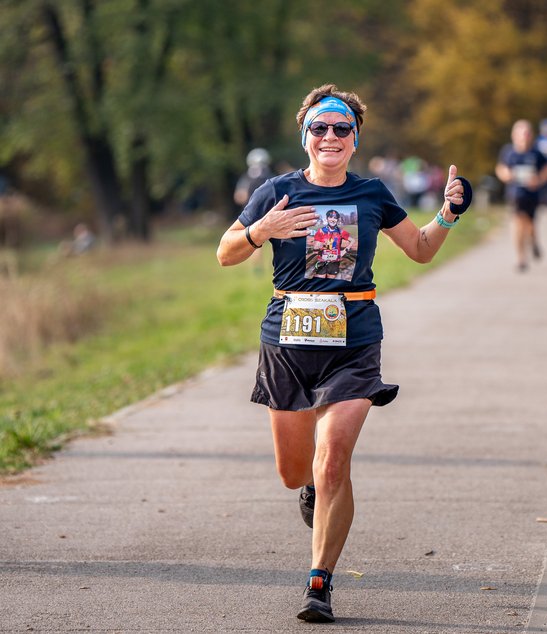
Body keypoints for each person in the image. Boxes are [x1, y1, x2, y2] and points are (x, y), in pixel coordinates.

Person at [216, 83, 472, 621]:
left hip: (354, 342)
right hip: (287, 341)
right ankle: (307, 487)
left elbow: (420, 250)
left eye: (341, 129)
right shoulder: (275, 191)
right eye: (319, 128)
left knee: (333, 459)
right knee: (296, 472)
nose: (329, 136)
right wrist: (262, 230)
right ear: (305, 136)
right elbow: (225, 253)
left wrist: (449, 213)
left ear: (355, 139)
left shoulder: (374, 194)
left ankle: (319, 582)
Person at [495, 119, 547, 271]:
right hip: (515, 194)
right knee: (518, 223)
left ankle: (533, 240)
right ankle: (521, 258)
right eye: (521, 133)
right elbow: (500, 168)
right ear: (514, 135)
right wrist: (506, 175)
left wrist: (539, 179)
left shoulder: (536, 153)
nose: (524, 136)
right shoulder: (508, 152)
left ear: (531, 135)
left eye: (527, 133)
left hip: (532, 195)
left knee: (530, 224)